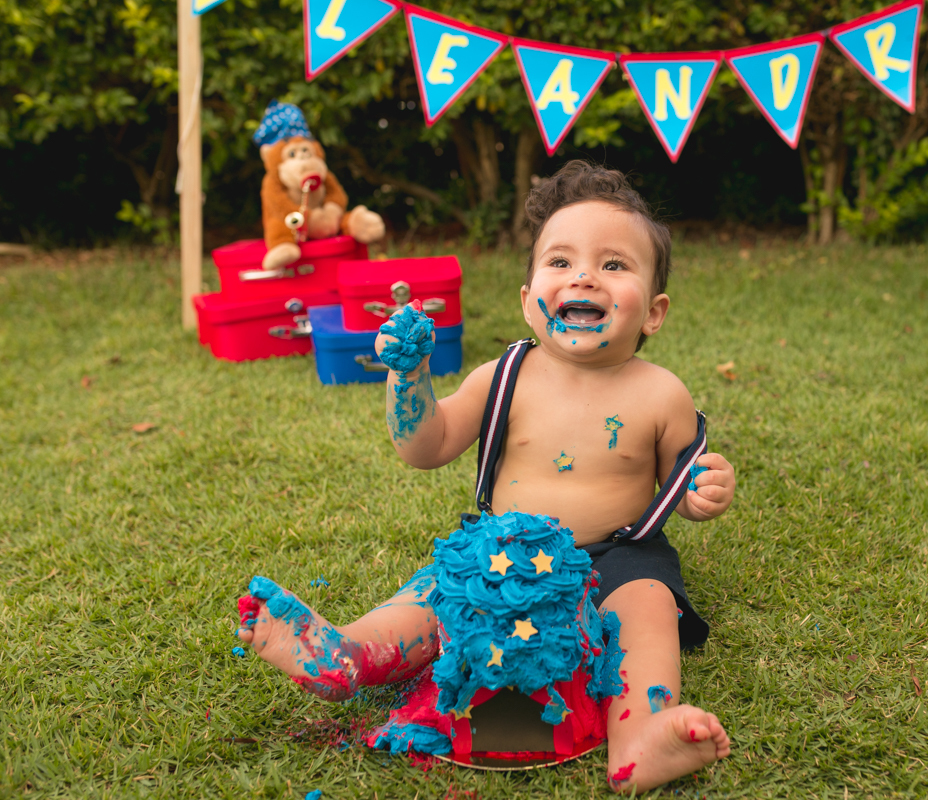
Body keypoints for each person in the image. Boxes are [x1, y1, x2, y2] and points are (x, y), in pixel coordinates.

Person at [236, 161, 735, 792]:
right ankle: (351, 654)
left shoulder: (662, 394)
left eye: (614, 265)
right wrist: (408, 376)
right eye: (560, 262)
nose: (584, 275)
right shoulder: (503, 376)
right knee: (437, 594)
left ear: (654, 313)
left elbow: (682, 485)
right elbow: (426, 446)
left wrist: (706, 492)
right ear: (528, 300)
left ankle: (641, 731)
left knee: (649, 610)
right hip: (499, 551)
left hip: (619, 556)